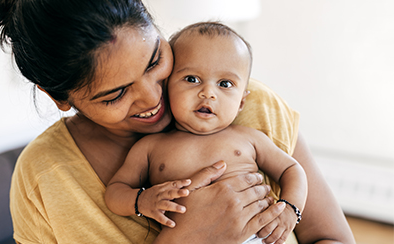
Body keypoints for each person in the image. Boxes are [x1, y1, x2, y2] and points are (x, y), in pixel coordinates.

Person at [0, 0, 355, 243]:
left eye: (155, 60)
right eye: (115, 94)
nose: (154, 98)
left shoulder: (250, 106)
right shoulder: (44, 178)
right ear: (58, 97)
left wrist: (288, 210)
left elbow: (332, 238)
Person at [105, 22, 308, 244]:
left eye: (225, 83)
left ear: (241, 102)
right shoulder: (150, 147)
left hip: (258, 236)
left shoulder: (248, 138)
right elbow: (115, 192)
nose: (208, 93)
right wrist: (141, 200)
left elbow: (292, 169)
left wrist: (291, 208)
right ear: (167, 86)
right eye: (192, 79)